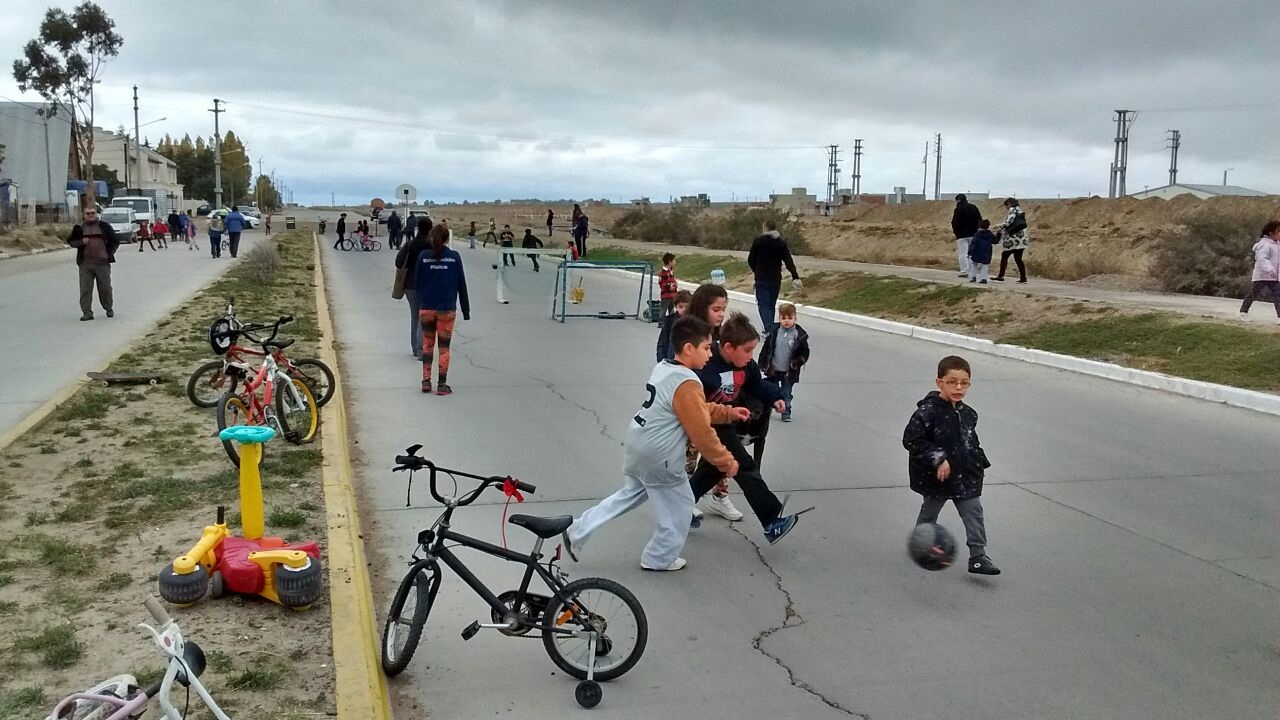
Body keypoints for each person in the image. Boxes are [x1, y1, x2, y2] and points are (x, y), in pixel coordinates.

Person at [563, 316, 747, 572]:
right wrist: (725, 461)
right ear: (688, 349)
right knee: (681, 508)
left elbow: (695, 410)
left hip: (640, 447)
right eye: (706, 347)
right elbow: (701, 431)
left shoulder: (665, 368)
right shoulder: (688, 382)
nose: (709, 354)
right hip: (661, 457)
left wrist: (728, 413)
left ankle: (576, 530)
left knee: (627, 495)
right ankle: (658, 558)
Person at [686, 312, 802, 544]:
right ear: (728, 347)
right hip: (708, 423)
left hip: (726, 420)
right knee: (744, 466)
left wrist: (775, 397)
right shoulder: (706, 365)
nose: (751, 357)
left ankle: (678, 506)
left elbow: (757, 385)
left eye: (753, 351)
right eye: (747, 351)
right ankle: (771, 521)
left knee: (714, 470)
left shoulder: (745, 366)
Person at [902, 355, 1000, 575]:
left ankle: (978, 556)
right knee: (929, 514)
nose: (958, 387)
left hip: (966, 477)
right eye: (952, 382)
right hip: (938, 478)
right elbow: (912, 440)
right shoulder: (927, 412)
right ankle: (921, 544)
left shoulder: (968, 414)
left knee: (974, 513)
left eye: (964, 383)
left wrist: (979, 460)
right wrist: (938, 458)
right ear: (939, 382)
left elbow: (970, 440)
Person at [684, 283, 735, 520]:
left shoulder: (720, 333)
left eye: (723, 309)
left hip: (718, 403)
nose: (721, 314)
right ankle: (685, 499)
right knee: (689, 457)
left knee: (719, 451)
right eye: (716, 309)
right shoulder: (687, 331)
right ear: (703, 307)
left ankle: (720, 497)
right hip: (692, 404)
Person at [415, 224, 470, 396]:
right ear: (446, 238)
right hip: (447, 308)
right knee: (444, 347)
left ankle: (425, 381)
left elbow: (417, 283)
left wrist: (423, 301)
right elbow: (461, 284)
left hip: (427, 307)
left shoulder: (423, 257)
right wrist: (466, 310)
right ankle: (442, 384)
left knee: (427, 345)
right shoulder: (454, 257)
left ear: (432, 237)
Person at [66, 205, 119, 321]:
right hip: (85, 264)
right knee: (85, 289)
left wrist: (109, 253)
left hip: (102, 264)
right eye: (88, 213)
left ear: (96, 214)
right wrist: (81, 242)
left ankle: (108, 308)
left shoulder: (104, 226)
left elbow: (115, 240)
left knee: (105, 288)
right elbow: (71, 241)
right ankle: (87, 312)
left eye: (92, 213)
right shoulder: (79, 228)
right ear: (84, 215)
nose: (90, 215)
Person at [759, 303, 809, 423]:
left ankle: (786, 411)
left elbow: (804, 352)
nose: (786, 321)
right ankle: (770, 407)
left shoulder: (799, 335)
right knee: (772, 390)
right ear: (779, 318)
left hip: (789, 371)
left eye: (790, 318)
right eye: (783, 318)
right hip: (774, 369)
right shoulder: (774, 332)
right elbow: (767, 349)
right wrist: (763, 363)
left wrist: (798, 362)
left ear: (795, 318)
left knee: (786, 392)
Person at [747, 219, 801, 330]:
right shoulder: (781, 243)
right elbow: (788, 261)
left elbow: (750, 259)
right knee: (771, 304)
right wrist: (795, 276)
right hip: (775, 279)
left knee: (763, 304)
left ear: (765, 227)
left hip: (762, 278)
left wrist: (756, 270)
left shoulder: (758, 242)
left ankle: (769, 328)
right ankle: (770, 328)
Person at [396, 216, 433, 358]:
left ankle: (415, 347)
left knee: (415, 316)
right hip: (427, 284)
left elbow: (399, 261)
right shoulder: (432, 245)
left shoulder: (410, 244)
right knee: (424, 316)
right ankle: (420, 349)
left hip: (410, 284)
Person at [1238, 220, 1280, 324]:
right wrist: (1270, 269)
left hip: (1274, 277)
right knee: (1253, 293)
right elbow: (1262, 259)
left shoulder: (1277, 244)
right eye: (1278, 231)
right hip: (1262, 276)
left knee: (1278, 295)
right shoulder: (1264, 245)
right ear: (1271, 233)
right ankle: (1243, 312)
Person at [992, 198, 1028, 283]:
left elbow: (1009, 222)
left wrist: (999, 226)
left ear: (1009, 204)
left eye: (1006, 205)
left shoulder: (1012, 210)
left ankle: (1001, 276)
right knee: (1018, 258)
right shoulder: (1019, 210)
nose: (1007, 208)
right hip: (1021, 239)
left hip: (1013, 239)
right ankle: (1023, 278)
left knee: (1005, 255)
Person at [656, 289, 693, 362]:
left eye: (686, 306)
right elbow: (662, 342)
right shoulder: (669, 321)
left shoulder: (694, 322)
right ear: (676, 306)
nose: (684, 309)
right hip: (670, 359)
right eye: (681, 307)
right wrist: (661, 360)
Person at [951, 193, 983, 277]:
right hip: (973, 234)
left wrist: (956, 233)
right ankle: (972, 271)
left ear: (958, 200)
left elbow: (954, 222)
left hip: (961, 235)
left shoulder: (958, 209)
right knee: (971, 253)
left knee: (963, 253)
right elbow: (979, 219)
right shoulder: (973, 207)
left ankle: (964, 271)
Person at [967, 219, 996, 284]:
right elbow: (995, 241)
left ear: (980, 226)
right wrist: (999, 234)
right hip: (987, 252)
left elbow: (973, 243)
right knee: (985, 265)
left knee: (974, 264)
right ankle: (983, 278)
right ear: (988, 226)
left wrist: (970, 252)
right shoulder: (990, 234)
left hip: (977, 252)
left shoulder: (977, 234)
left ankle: (973, 277)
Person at [658, 252, 679, 317]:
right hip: (666, 295)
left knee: (671, 309)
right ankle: (661, 322)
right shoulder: (664, 272)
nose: (675, 262)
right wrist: (669, 286)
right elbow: (662, 283)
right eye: (673, 260)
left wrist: (675, 284)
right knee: (663, 309)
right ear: (670, 262)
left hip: (672, 294)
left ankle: (670, 321)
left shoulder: (671, 272)